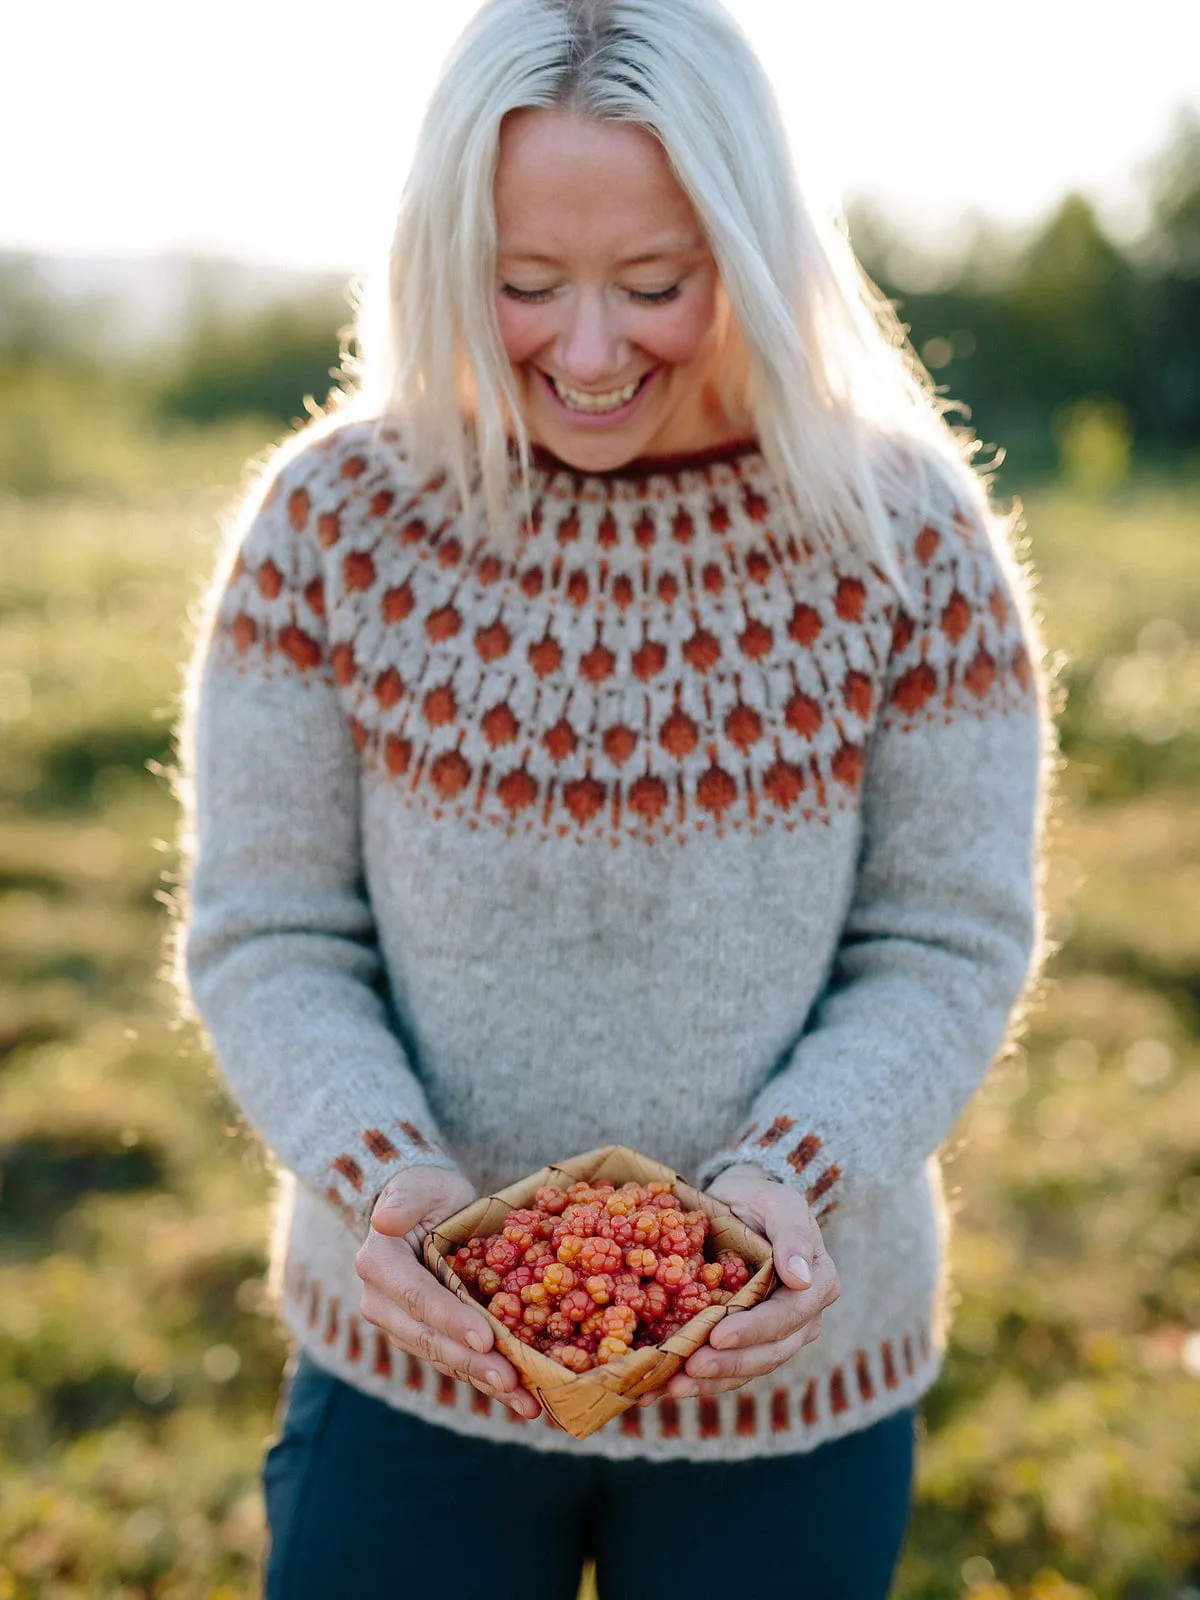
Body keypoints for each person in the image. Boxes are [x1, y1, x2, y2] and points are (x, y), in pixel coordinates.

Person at [171, 0, 1054, 1594]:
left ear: (757, 248)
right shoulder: (336, 526)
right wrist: (395, 1184)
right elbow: (270, 931)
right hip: (411, 1378)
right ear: (446, 257)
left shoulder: (904, 540)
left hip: (793, 1388)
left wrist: (795, 1173)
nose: (589, 352)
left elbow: (946, 936)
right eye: (523, 285)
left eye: (656, 284)